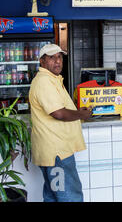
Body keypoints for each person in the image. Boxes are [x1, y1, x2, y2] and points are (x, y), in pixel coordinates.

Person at [29, 44, 92, 202]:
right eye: (52, 57)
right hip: (57, 153)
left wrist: (77, 111)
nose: (57, 61)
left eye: (59, 57)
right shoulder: (44, 81)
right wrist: (81, 114)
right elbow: (58, 113)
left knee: (53, 196)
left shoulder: (52, 79)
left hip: (53, 151)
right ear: (42, 61)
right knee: (69, 197)